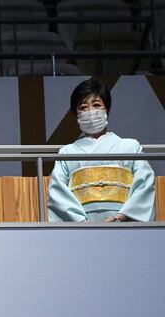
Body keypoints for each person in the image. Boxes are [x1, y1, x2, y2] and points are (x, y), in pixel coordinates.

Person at [48, 79, 155, 222]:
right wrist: (81, 222)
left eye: (97, 105)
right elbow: (58, 193)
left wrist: (122, 217)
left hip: (124, 225)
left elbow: (144, 184)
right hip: (82, 229)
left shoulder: (130, 147)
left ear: (107, 109)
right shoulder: (67, 153)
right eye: (83, 107)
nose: (90, 112)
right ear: (76, 114)